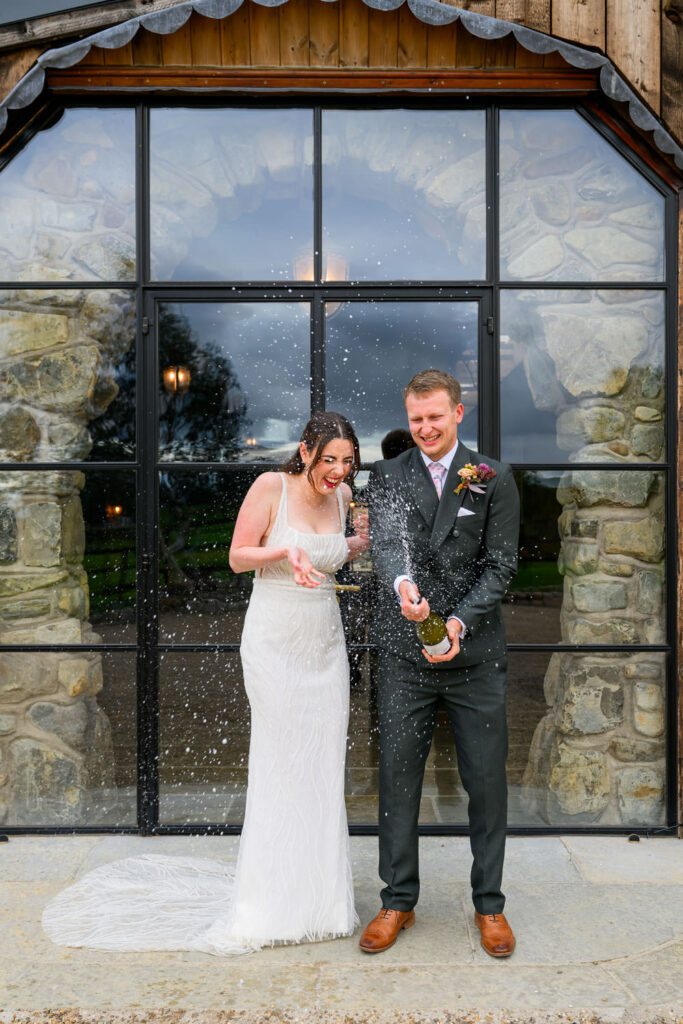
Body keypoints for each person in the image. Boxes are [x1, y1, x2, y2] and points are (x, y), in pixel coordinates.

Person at [42, 412, 369, 955]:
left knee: (321, 762)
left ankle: (321, 902)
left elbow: (338, 553)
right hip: (275, 643)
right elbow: (238, 557)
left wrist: (356, 544)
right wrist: (285, 551)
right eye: (329, 458)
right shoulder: (271, 486)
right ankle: (268, 904)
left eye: (347, 461)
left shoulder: (343, 498)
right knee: (281, 762)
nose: (338, 469)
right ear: (306, 449)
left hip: (325, 646)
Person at [359, 369, 520, 958]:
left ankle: (490, 905)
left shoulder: (493, 477)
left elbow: (501, 566)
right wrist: (403, 587)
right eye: (415, 418)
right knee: (398, 781)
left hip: (475, 658)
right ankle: (397, 900)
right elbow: (386, 547)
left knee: (486, 783)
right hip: (406, 658)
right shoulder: (387, 475)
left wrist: (456, 623)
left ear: (457, 413)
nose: (425, 428)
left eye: (434, 416)